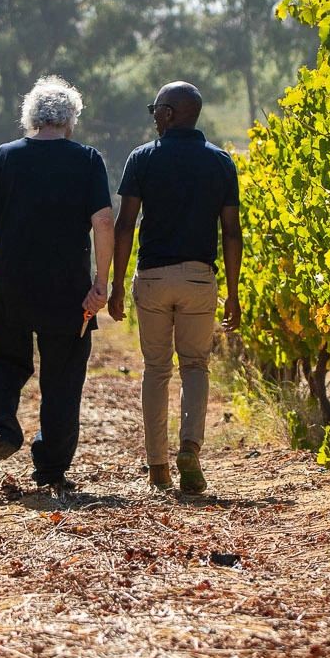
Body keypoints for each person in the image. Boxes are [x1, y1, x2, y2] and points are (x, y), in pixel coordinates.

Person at [0, 77, 114, 493]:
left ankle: (2, 430)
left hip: (11, 287)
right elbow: (103, 222)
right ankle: (50, 469)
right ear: (70, 119)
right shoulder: (87, 160)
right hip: (68, 293)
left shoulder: (4, 158)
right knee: (63, 379)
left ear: (31, 116)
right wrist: (101, 284)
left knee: (7, 363)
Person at [107, 81, 241, 494]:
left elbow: (125, 224)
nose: (153, 116)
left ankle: (158, 467)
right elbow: (232, 232)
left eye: (155, 109)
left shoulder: (143, 159)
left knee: (157, 369)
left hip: (153, 277)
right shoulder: (220, 162)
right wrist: (233, 292)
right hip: (200, 278)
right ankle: (190, 447)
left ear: (169, 114)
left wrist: (115, 285)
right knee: (196, 365)